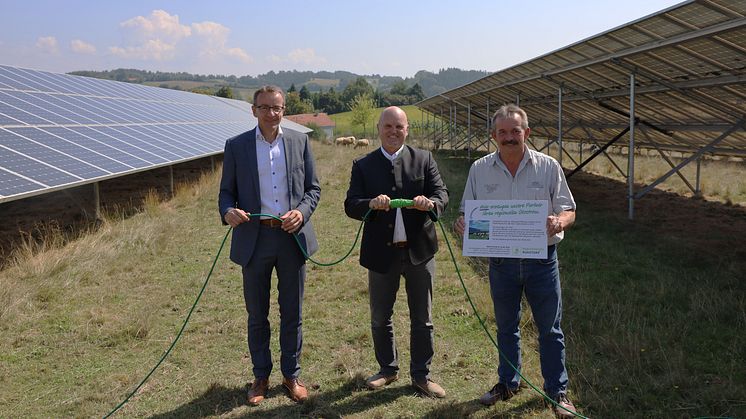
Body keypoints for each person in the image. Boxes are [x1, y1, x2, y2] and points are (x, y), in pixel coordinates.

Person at [453, 104, 578, 418]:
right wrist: (462, 224)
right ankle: (508, 383)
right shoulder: (479, 170)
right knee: (507, 327)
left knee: (550, 329)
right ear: (493, 135)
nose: (509, 137)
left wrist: (560, 222)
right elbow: (467, 212)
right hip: (501, 264)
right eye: (503, 132)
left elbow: (569, 209)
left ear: (527, 133)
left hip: (542, 262)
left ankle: (557, 392)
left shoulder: (548, 167)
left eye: (515, 131)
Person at [218, 85, 320, 406]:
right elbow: (225, 193)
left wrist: (301, 214)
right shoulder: (237, 146)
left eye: (277, 108)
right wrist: (228, 211)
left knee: (293, 311)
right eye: (264, 107)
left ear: (284, 110)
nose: (271, 113)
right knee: (256, 313)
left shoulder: (299, 141)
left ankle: (291, 374)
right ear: (254, 110)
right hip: (255, 238)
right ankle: (260, 375)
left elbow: (313, 189)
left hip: (292, 239)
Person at [345, 106, 449, 398]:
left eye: (399, 127)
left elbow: (442, 194)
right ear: (378, 128)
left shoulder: (424, 159)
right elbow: (351, 204)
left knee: (423, 318)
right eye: (388, 126)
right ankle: (388, 369)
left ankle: (421, 375)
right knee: (380, 316)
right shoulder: (363, 164)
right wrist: (370, 204)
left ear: (407, 130)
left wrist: (430, 204)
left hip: (420, 252)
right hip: (381, 254)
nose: (393, 132)